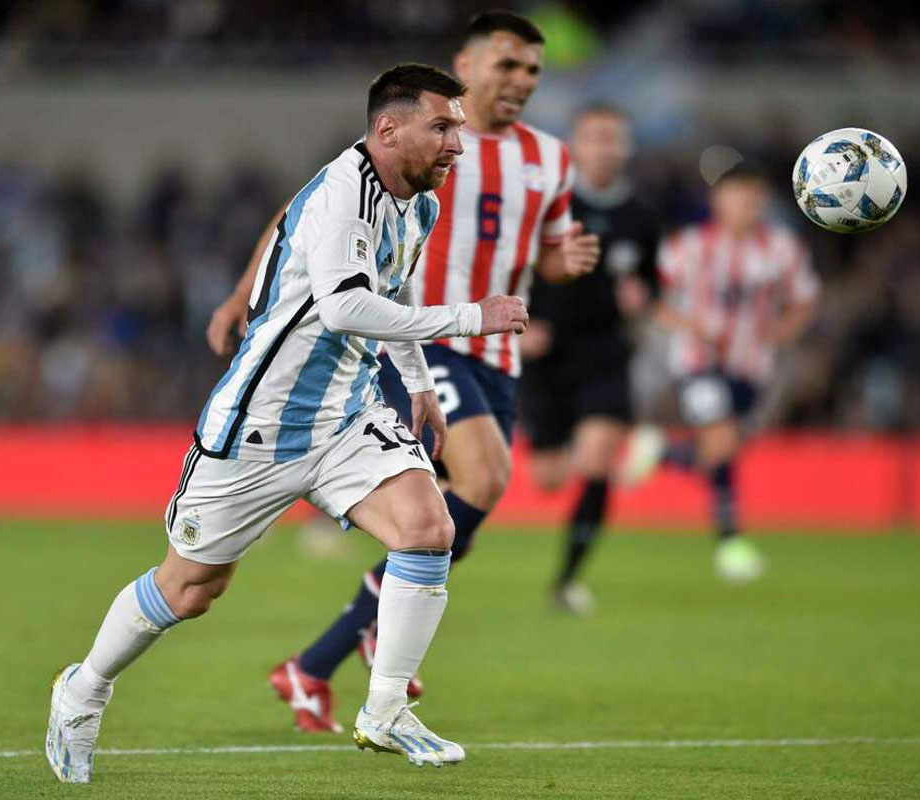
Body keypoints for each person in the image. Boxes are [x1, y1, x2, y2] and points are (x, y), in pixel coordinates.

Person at [45, 63, 533, 782]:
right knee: (191, 590)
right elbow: (343, 306)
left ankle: (386, 708)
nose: (458, 141)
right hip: (259, 426)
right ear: (388, 128)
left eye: (458, 126)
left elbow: (387, 295)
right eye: (443, 125)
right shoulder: (343, 194)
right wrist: (470, 318)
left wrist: (419, 381)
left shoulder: (418, 204)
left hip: (347, 417)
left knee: (430, 527)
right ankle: (83, 691)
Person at [207, 10, 599, 733]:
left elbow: (541, 252)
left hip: (496, 355)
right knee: (481, 480)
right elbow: (302, 215)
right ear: (468, 66)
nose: (521, 82)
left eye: (533, 72)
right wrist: (243, 292)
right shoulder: (419, 138)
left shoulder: (552, 158)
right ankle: (376, 633)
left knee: (451, 523)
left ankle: (317, 662)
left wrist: (560, 263)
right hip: (421, 335)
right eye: (507, 65)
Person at [622, 163, 819, 582]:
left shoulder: (782, 247)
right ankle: (731, 543)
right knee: (721, 438)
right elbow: (649, 296)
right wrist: (686, 325)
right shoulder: (688, 246)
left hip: (752, 366)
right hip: (698, 363)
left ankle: (663, 453)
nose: (748, 202)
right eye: (738, 193)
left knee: (720, 451)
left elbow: (804, 298)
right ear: (718, 200)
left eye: (755, 195)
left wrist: (783, 330)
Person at [518, 104, 660, 614]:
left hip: (605, 351)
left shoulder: (641, 215)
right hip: (546, 355)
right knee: (550, 476)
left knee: (596, 457)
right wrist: (522, 319)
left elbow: (651, 281)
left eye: (613, 138)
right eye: (594, 137)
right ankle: (655, 455)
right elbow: (508, 265)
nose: (605, 147)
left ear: (627, 147)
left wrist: (643, 297)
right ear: (574, 145)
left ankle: (567, 581)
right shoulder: (545, 205)